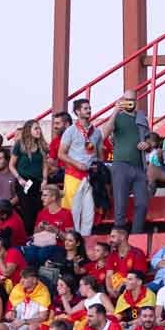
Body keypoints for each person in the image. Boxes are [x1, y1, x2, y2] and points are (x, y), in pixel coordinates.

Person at [103, 90, 151, 232]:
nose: (130, 102)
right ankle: (119, 236)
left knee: (142, 204)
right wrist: (115, 111)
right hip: (121, 165)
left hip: (139, 166)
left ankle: (136, 235)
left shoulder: (141, 118)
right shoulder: (118, 117)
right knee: (120, 205)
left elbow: (149, 138)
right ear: (121, 100)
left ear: (136, 101)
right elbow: (104, 133)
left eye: (132, 100)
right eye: (126, 99)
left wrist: (147, 144)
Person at [57, 98, 102, 235]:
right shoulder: (70, 131)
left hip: (90, 177)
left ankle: (85, 240)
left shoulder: (97, 132)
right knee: (73, 213)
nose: (89, 111)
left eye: (89, 108)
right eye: (85, 108)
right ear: (77, 112)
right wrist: (77, 164)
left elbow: (100, 154)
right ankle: (72, 240)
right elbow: (60, 154)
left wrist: (97, 166)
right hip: (73, 176)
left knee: (89, 213)